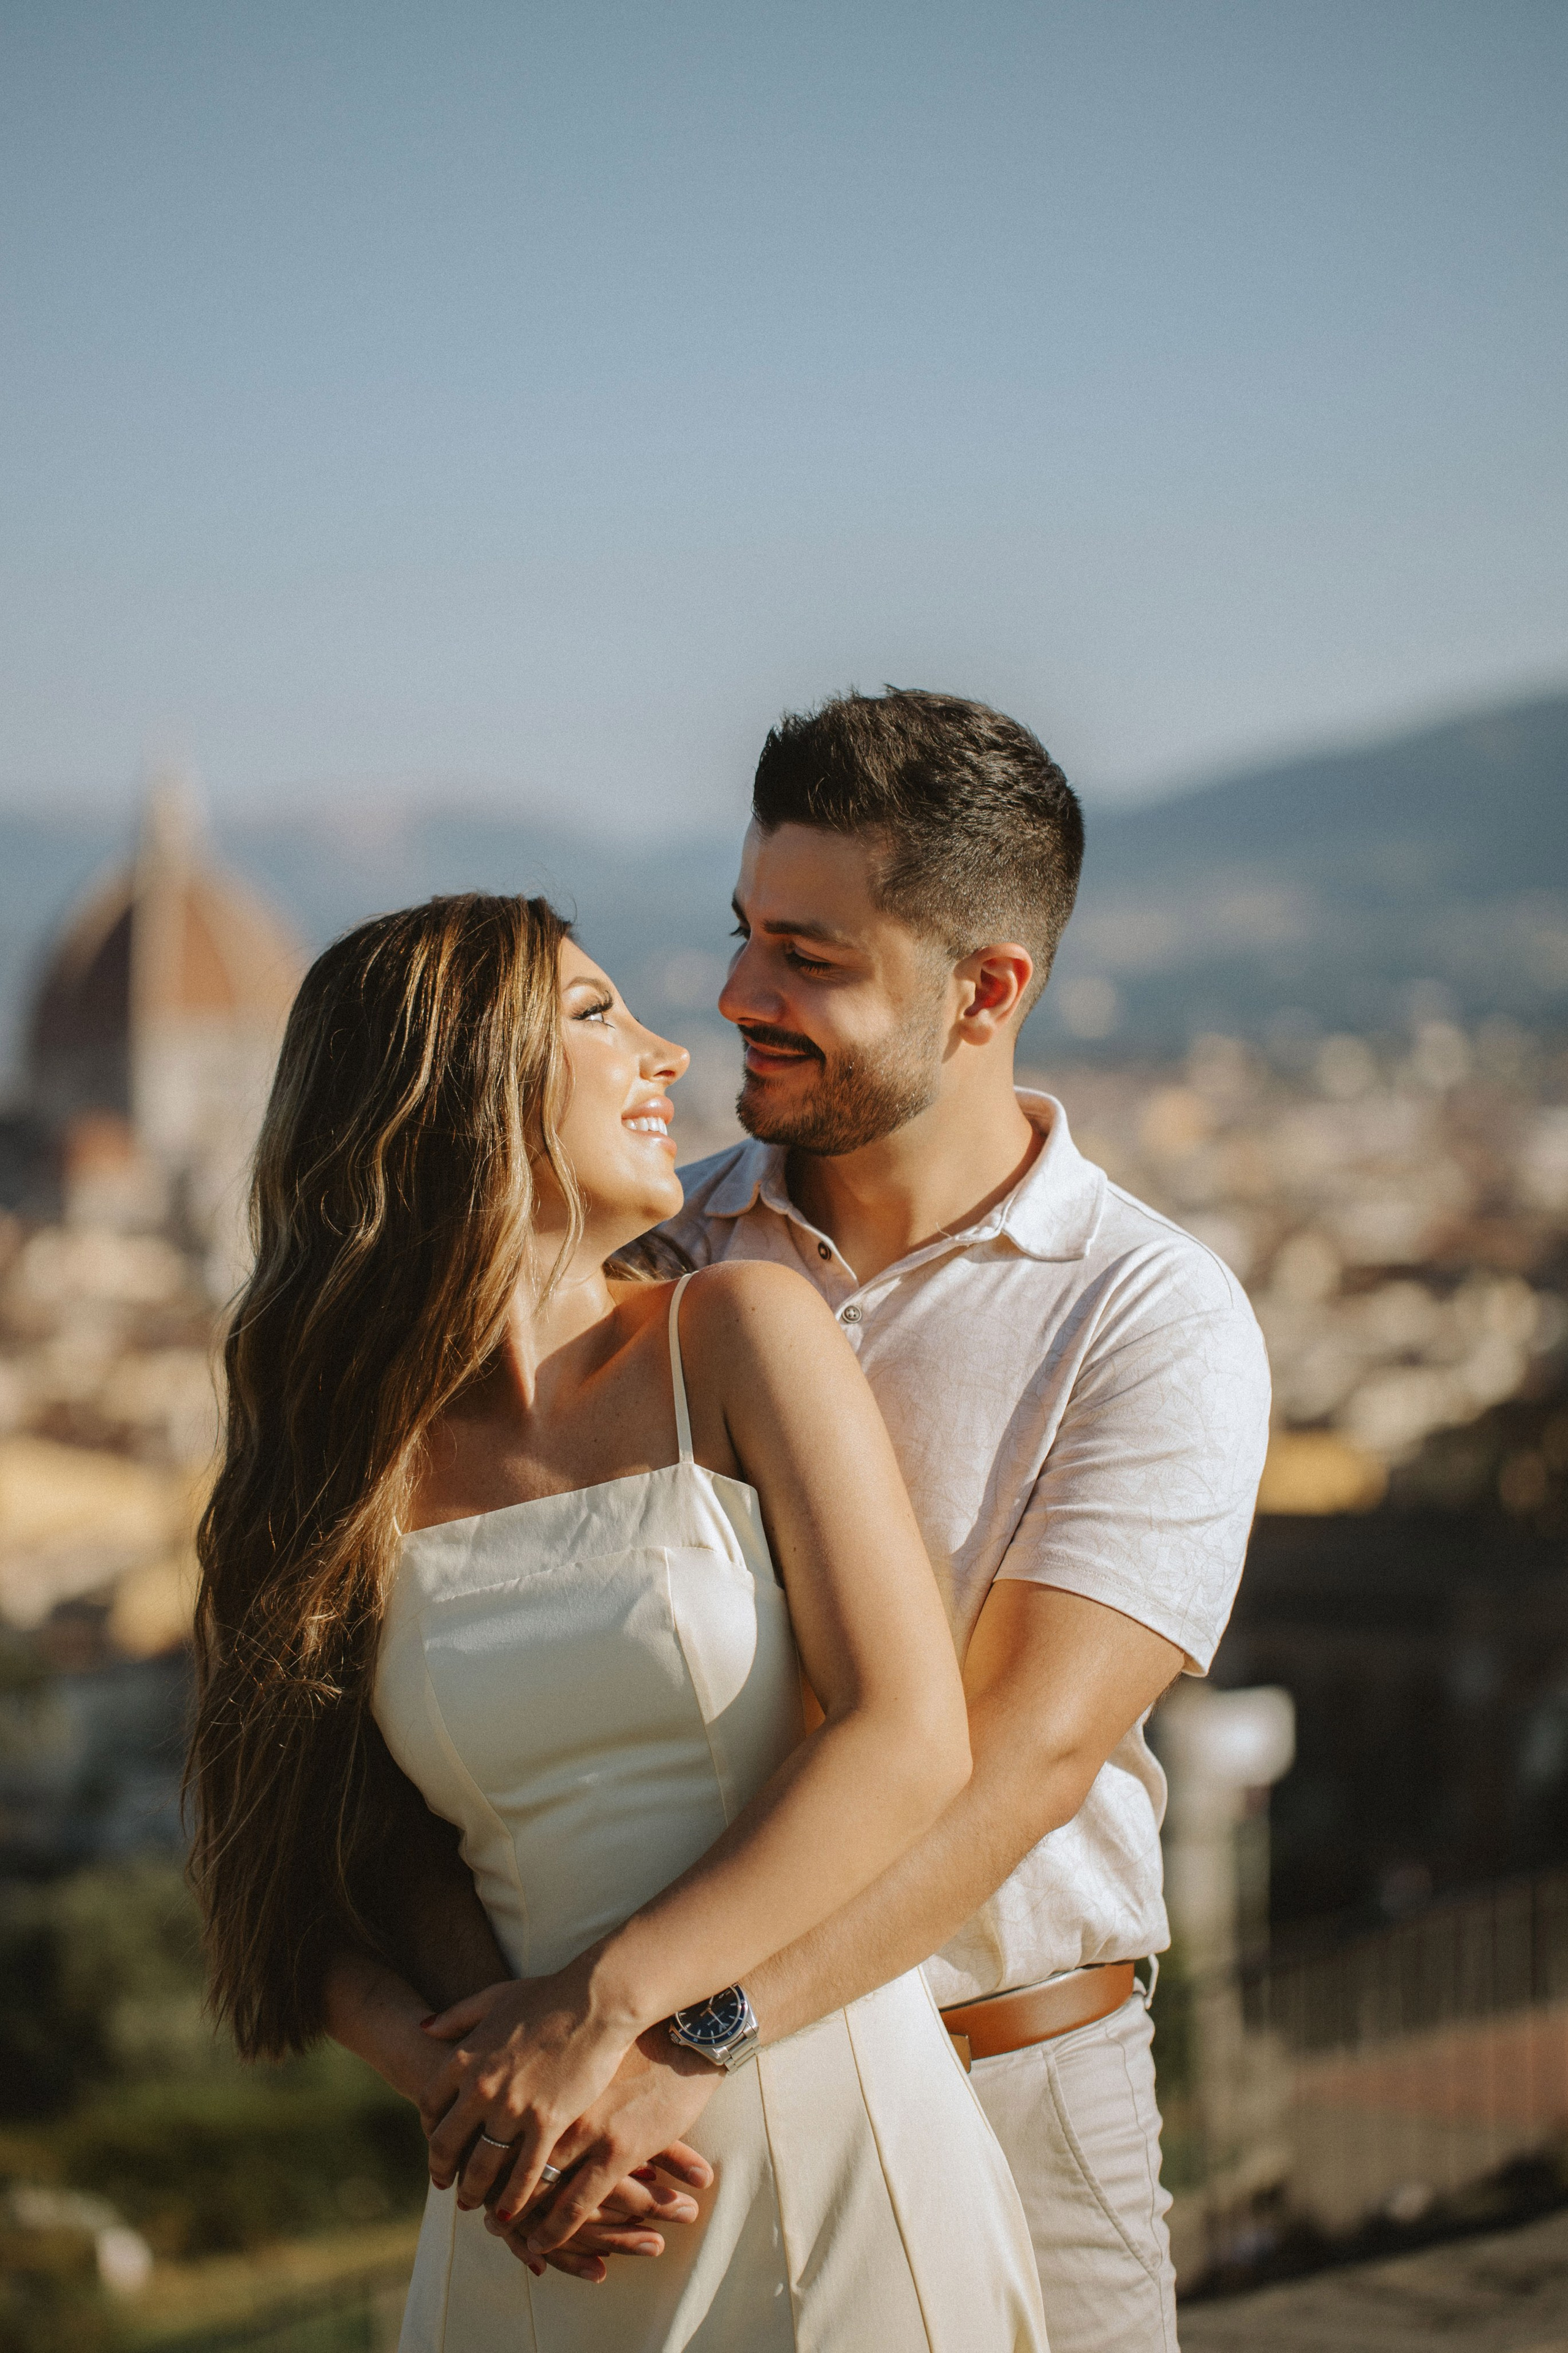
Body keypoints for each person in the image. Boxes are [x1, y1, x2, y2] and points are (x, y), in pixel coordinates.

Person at [338, 689, 1272, 2352]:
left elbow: (1012, 1764)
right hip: (638, 2110)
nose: (736, 999)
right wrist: (513, 2067)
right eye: (744, 931)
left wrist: (674, 2035)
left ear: (987, 993)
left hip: (1004, 2069)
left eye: (812, 960)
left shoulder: (1151, 1319)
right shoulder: (646, 1263)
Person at [185, 892, 1047, 2353]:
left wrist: (611, 2014)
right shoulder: (331, 1474)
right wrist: (480, 2106)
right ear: (452, 1094)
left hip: (812, 2122)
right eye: (594, 1017)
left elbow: (908, 1739)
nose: (663, 1052)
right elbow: (293, 1873)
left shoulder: (738, 1333)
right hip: (540, 2194)